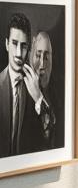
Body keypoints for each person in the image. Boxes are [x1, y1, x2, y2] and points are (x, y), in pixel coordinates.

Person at [1, 12, 46, 158]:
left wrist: (38, 98)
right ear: (7, 44)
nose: (19, 53)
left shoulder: (36, 85)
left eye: (24, 46)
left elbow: (50, 137)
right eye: (14, 44)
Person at [30, 30, 58, 151]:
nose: (42, 64)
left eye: (46, 57)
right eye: (38, 55)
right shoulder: (23, 90)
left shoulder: (57, 92)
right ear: (31, 55)